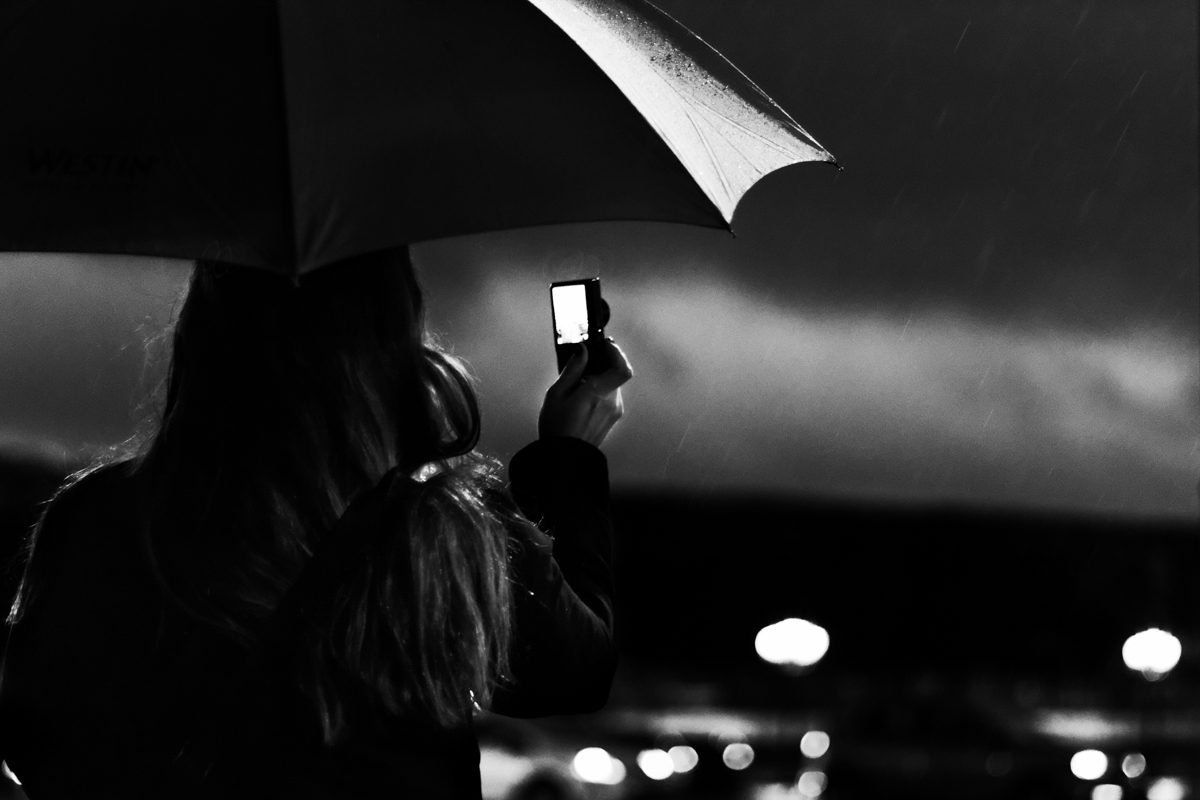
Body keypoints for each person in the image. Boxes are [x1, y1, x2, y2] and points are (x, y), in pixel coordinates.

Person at [0, 247, 633, 799]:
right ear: (392, 335)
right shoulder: (442, 526)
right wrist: (570, 455)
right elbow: (574, 671)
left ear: (206, 329)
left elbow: (36, 741)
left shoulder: (95, 519)